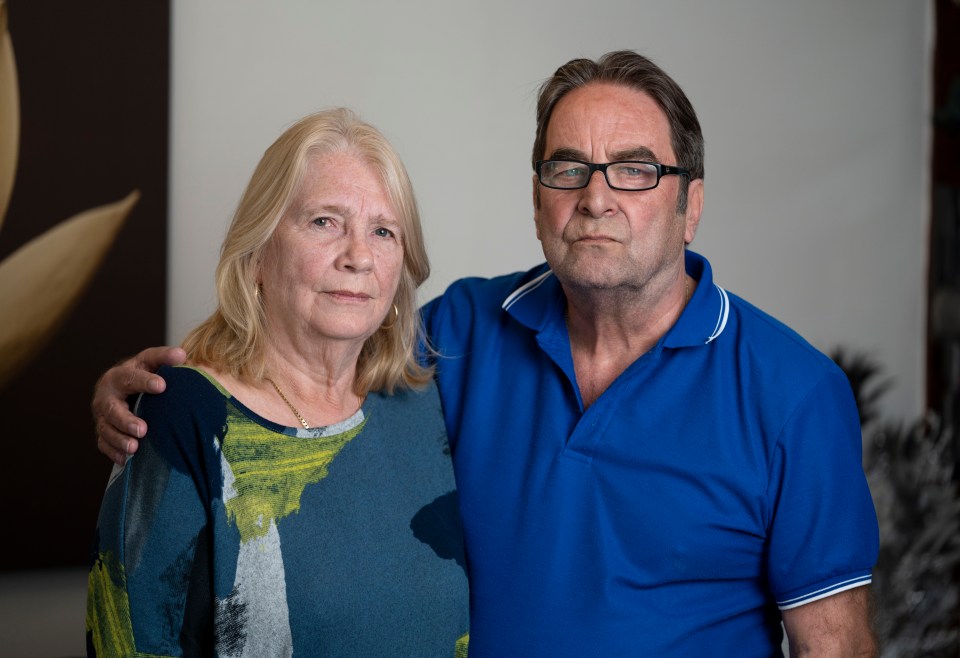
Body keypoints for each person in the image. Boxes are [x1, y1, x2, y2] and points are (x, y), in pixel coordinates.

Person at [93, 51, 879, 656]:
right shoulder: (464, 331)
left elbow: (833, 644)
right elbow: (320, 328)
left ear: (690, 204)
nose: (596, 196)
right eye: (567, 167)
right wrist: (160, 387)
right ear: (539, 198)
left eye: (635, 170)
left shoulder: (794, 394)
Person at [85, 109, 469, 657]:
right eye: (324, 222)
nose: (358, 256)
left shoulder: (421, 399)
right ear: (259, 251)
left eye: (383, 231)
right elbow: (128, 638)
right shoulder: (183, 414)